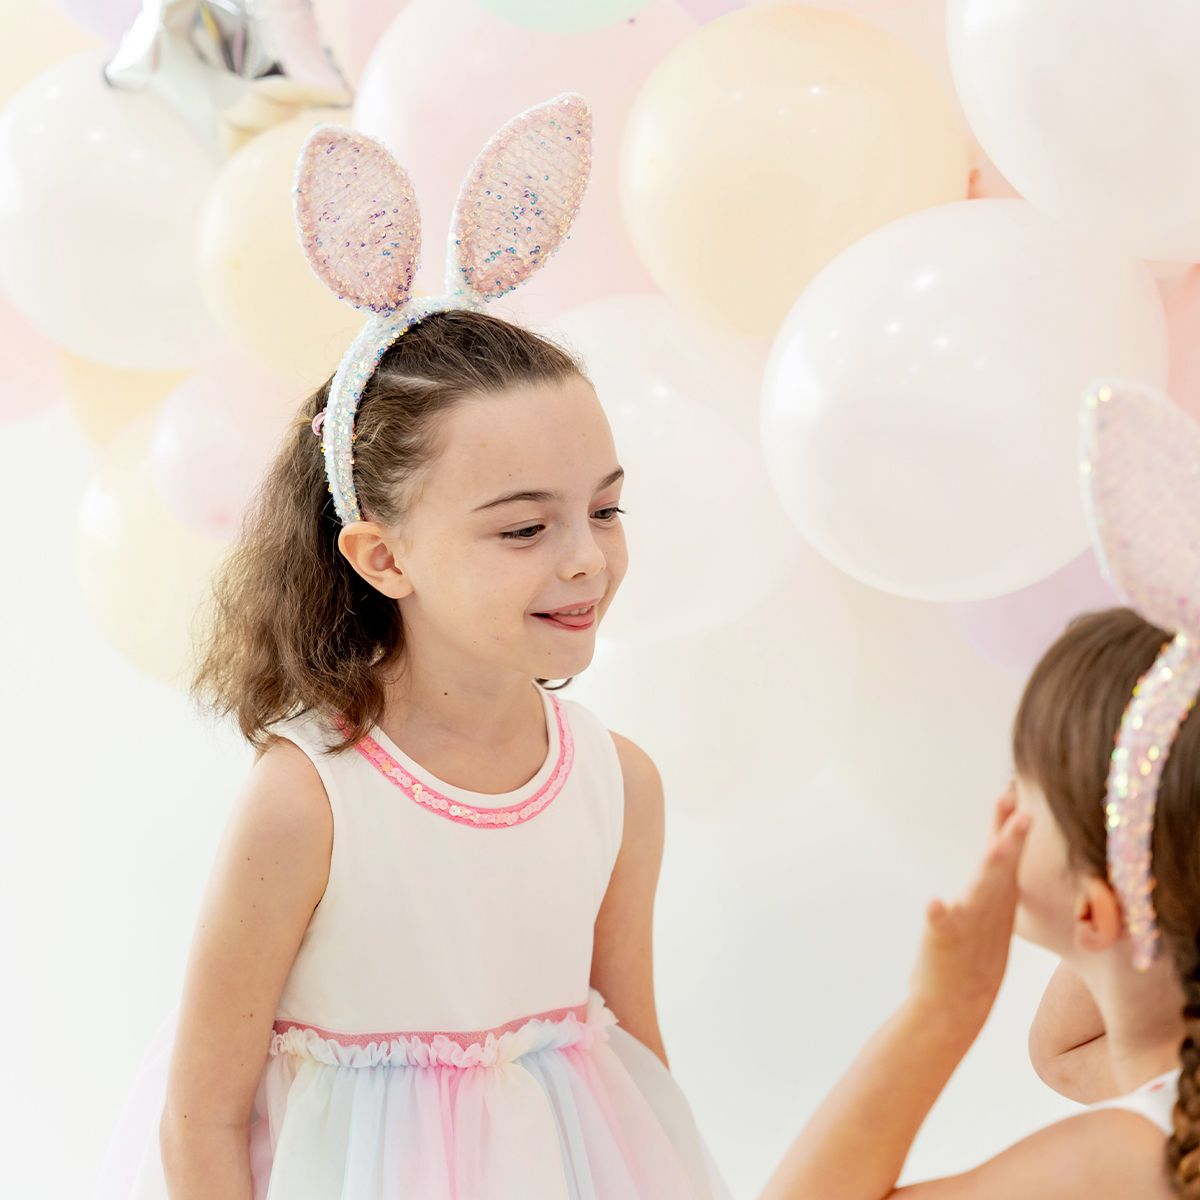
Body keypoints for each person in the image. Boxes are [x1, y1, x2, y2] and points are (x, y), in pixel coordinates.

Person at [97, 94, 729, 1200]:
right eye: (524, 529)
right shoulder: (310, 801)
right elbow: (202, 1119)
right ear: (383, 556)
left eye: (605, 510)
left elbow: (634, 1064)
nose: (585, 559)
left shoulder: (616, 785)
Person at [759, 380, 1200, 1199]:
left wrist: (943, 1009)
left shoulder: (1120, 1163)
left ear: (1095, 910)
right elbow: (1063, 1054)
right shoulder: (1156, 1097)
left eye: (1019, 791)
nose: (999, 812)